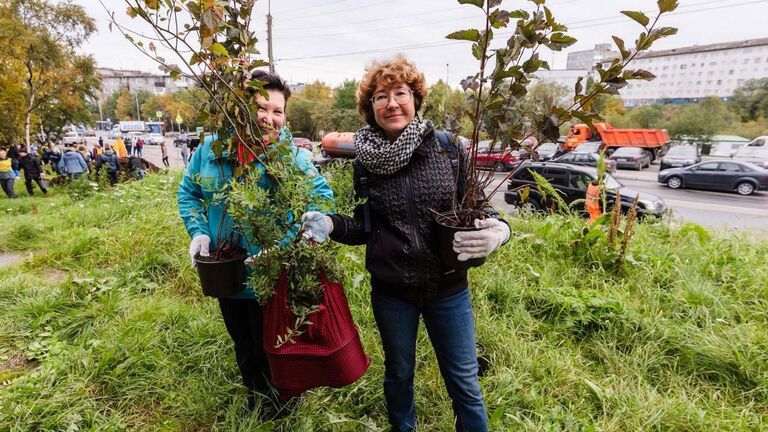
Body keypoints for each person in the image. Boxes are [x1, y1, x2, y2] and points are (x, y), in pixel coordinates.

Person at [300, 56, 509, 432]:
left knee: (464, 381)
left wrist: (498, 231)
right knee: (399, 373)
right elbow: (363, 228)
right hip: (392, 291)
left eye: (400, 93)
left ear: (415, 99)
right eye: (381, 97)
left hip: (448, 288)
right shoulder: (364, 162)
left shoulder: (447, 149)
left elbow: (481, 207)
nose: (392, 103)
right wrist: (331, 224)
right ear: (370, 108)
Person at [177, 70, 334, 411]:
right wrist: (199, 231)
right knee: (243, 343)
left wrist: (294, 240)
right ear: (241, 111)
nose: (269, 118)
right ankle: (256, 400)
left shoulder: (291, 157)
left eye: (278, 111)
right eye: (261, 108)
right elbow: (188, 192)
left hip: (275, 274)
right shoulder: (210, 149)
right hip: (228, 271)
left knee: (275, 346)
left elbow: (322, 202)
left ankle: (284, 406)